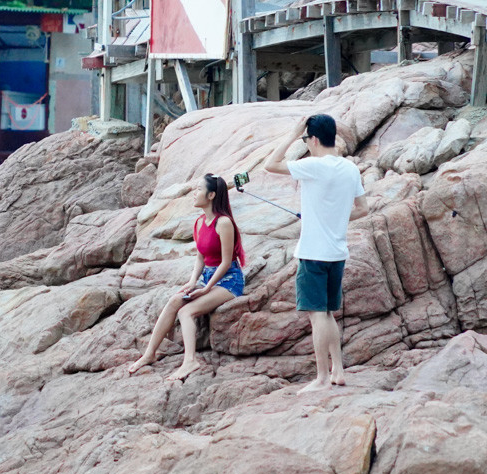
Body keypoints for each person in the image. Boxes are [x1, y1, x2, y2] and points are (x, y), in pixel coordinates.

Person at [264, 114, 369, 393]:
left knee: (317, 315)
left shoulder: (313, 165)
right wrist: (334, 217)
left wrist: (290, 134)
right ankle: (338, 371)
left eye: (305, 139)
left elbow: (270, 164)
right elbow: (363, 209)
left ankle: (322, 377)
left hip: (313, 253)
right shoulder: (350, 169)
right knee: (328, 313)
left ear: (312, 139)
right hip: (337, 253)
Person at [128, 173, 246, 380]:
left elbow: (227, 261)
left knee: (187, 312)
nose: (194, 193)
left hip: (228, 280)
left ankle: (190, 361)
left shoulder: (224, 223)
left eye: (199, 189)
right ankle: (149, 354)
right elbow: (200, 259)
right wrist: (192, 282)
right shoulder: (200, 222)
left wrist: (206, 288)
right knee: (175, 301)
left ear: (211, 195)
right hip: (208, 276)